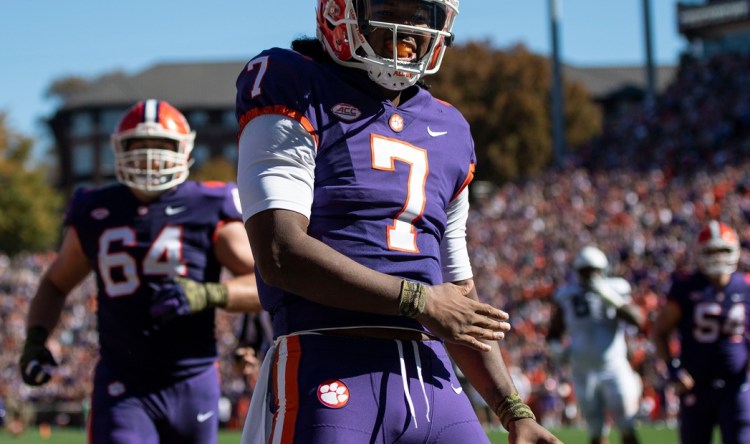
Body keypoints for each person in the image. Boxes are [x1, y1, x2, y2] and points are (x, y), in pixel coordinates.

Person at [234, 1, 560, 442]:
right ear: (340, 13)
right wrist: (420, 301)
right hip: (326, 359)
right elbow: (279, 252)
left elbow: (458, 295)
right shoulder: (293, 80)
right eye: (390, 7)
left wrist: (513, 410)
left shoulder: (451, 126)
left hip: (435, 379)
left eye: (419, 14)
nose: (405, 28)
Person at [19, 99, 261, 443]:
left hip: (192, 379)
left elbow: (265, 283)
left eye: (162, 145)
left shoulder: (207, 205)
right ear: (119, 150)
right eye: (140, 145)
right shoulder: (97, 209)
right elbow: (55, 283)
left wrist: (210, 293)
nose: (150, 156)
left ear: (184, 150)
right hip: (124, 382)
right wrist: (35, 339)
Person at [651, 220, 750, 444]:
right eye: (711, 251)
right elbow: (660, 331)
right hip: (696, 384)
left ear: (735, 251)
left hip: (736, 385)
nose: (718, 257)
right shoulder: (685, 286)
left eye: (723, 250)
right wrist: (673, 368)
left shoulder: (749, 286)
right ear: (699, 253)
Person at [546, 245, 645, 444]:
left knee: (627, 422)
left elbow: (638, 320)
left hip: (614, 366)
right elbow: (553, 333)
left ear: (603, 270)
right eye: (585, 271)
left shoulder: (615, 288)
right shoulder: (567, 294)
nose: (590, 276)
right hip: (582, 369)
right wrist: (558, 350)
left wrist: (610, 298)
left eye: (594, 271)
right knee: (595, 427)